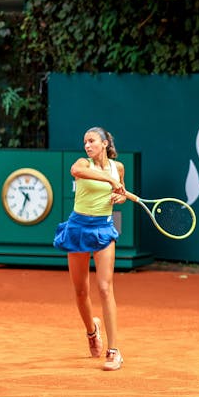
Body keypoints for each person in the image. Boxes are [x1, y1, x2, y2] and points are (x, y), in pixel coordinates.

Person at [53, 126, 128, 371]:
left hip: (103, 228)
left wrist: (121, 196)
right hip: (78, 227)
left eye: (92, 141)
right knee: (80, 291)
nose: (87, 145)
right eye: (85, 141)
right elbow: (76, 171)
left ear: (105, 143)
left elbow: (121, 191)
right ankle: (91, 331)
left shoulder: (118, 167)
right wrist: (108, 179)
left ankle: (114, 351)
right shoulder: (82, 164)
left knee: (105, 288)